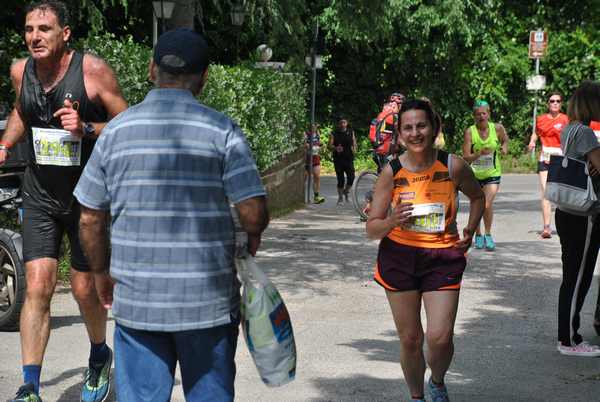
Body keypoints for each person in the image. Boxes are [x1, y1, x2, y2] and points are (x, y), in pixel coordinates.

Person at [75, 28, 269, 401]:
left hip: (137, 303)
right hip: (208, 304)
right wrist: (247, 243)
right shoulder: (222, 130)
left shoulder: (116, 132)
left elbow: (89, 216)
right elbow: (254, 214)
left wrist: (100, 273)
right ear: (204, 78)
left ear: (151, 69)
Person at [1, 2, 128, 401]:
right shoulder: (21, 71)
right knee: (37, 285)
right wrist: (5, 143)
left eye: (44, 29)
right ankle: (29, 386)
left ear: (65, 34)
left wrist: (87, 127)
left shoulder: (93, 72)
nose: (34, 37)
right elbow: (24, 110)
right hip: (39, 194)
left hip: (87, 199)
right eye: (28, 29)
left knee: (84, 289)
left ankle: (97, 354)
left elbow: (128, 124)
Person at [366, 99, 484, 402]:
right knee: (410, 339)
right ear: (401, 134)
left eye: (421, 125)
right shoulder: (391, 172)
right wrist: (392, 220)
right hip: (399, 257)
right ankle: (417, 396)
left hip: (443, 257)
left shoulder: (453, 165)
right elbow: (371, 229)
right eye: (408, 127)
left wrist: (470, 231)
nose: (415, 132)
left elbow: (478, 197)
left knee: (439, 337)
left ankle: (439, 381)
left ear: (434, 128)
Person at [554, 81, 600, 357]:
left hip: (567, 212)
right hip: (584, 215)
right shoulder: (586, 134)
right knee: (577, 277)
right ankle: (569, 340)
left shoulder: (570, 129)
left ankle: (567, 336)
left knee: (571, 275)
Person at [462, 100, 509, 251]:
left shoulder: (497, 128)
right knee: (476, 204)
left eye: (484, 113)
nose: (481, 117)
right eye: (478, 114)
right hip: (474, 174)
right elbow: (465, 157)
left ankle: (488, 234)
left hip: (492, 173)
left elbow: (505, 140)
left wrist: (504, 148)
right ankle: (478, 234)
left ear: (488, 113)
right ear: (474, 116)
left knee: (486, 204)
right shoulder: (470, 132)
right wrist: (478, 154)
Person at [527, 93, 569, 238]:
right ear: (548, 103)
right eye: (552, 101)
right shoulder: (541, 119)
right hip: (545, 158)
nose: (555, 103)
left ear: (561, 104)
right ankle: (546, 227)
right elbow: (536, 134)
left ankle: (565, 225)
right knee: (546, 192)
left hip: (560, 159)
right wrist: (532, 141)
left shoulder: (565, 119)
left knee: (560, 194)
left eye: (558, 101)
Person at [370, 92, 405, 172]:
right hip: (388, 151)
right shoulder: (395, 117)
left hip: (377, 150)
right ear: (399, 105)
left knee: (382, 173)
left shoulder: (381, 115)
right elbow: (399, 134)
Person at [329, 117, 357, 205]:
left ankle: (345, 191)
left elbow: (354, 142)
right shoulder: (334, 133)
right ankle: (340, 198)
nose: (342, 124)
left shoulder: (351, 132)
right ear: (338, 124)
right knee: (340, 179)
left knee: (351, 177)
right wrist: (336, 148)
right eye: (341, 123)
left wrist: (355, 149)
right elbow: (329, 145)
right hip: (338, 159)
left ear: (347, 123)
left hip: (348, 158)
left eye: (344, 122)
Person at [305, 123, 325, 204]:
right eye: (313, 126)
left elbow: (319, 143)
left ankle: (316, 197)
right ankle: (301, 197)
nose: (314, 128)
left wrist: (321, 146)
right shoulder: (305, 134)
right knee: (304, 177)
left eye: (315, 126)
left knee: (317, 177)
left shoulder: (317, 134)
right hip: (307, 158)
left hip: (315, 158)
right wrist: (307, 146)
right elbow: (304, 145)